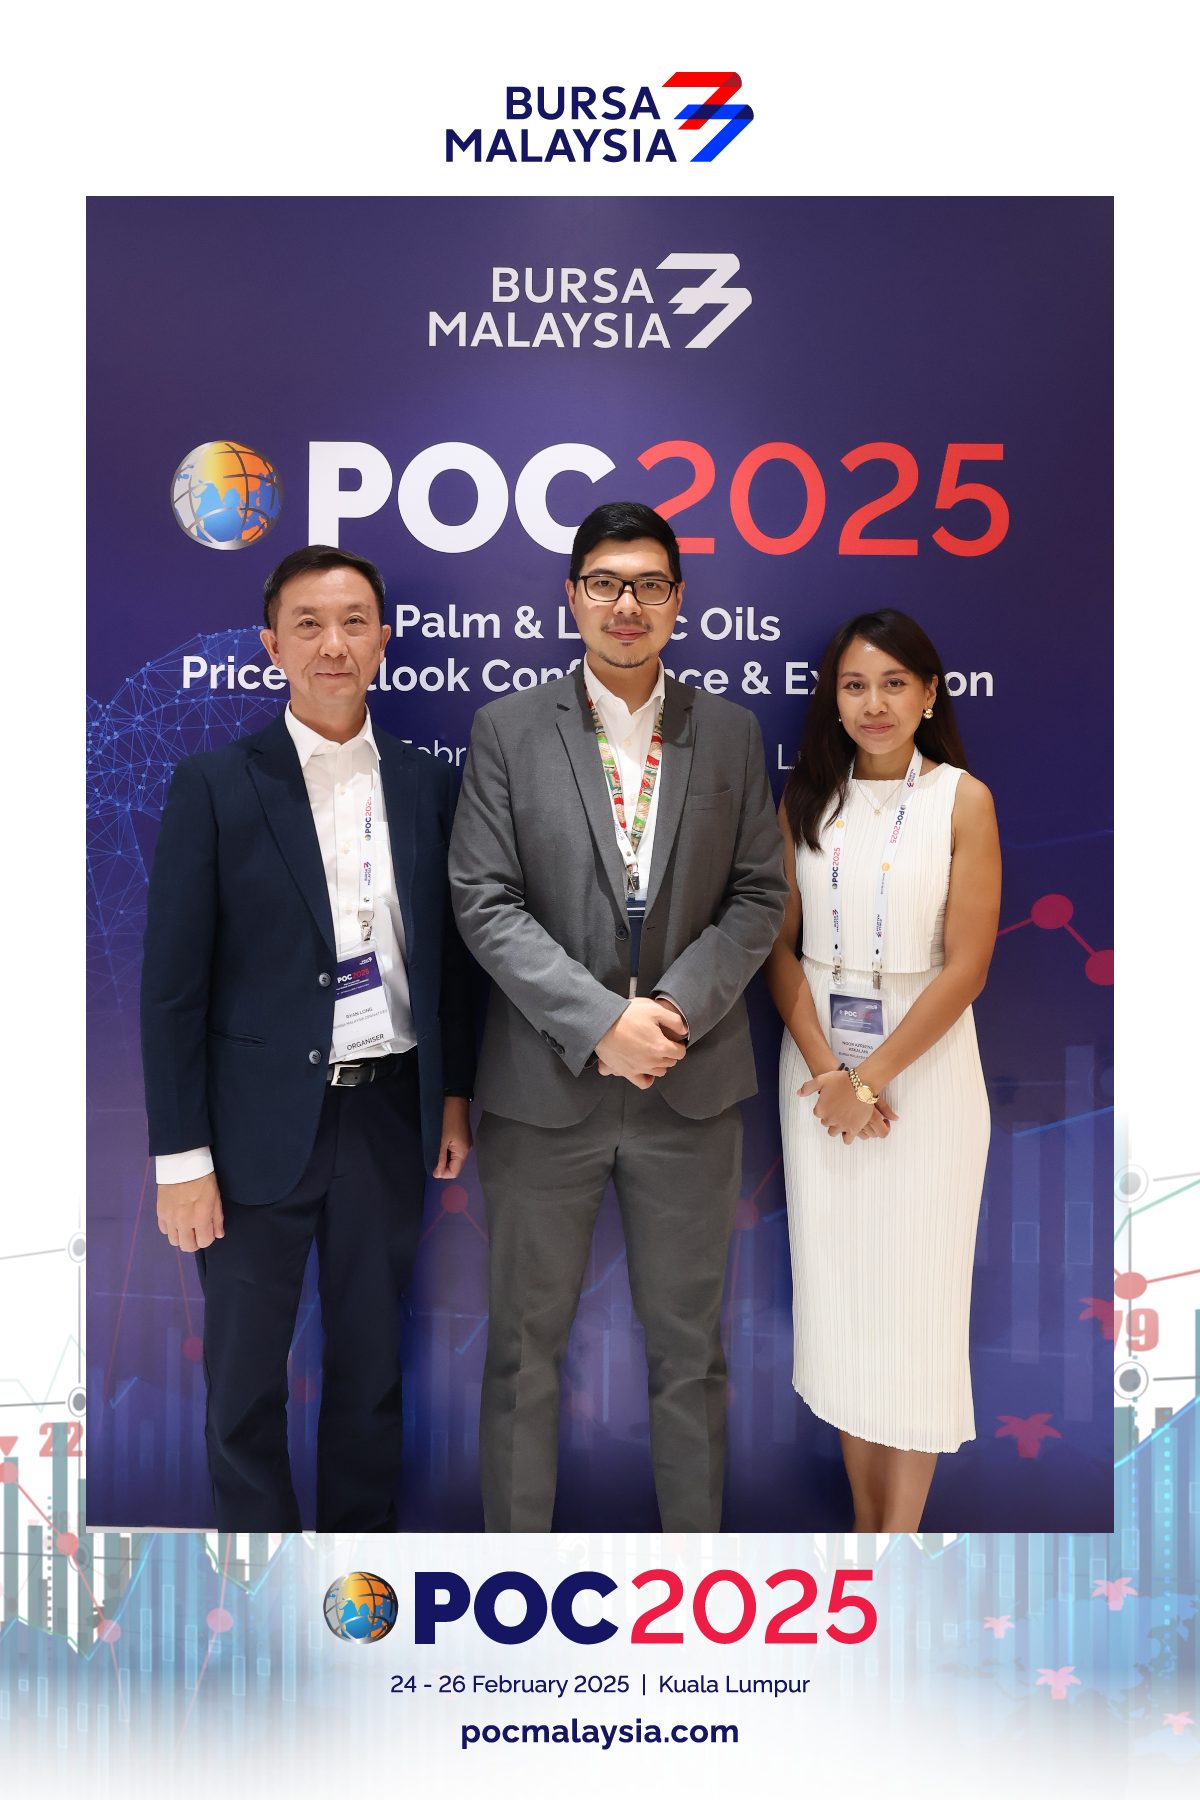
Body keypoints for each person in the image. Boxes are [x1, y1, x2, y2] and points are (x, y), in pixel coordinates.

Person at [448, 501, 788, 1533]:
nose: (625, 604)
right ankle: (516, 1575)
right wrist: (602, 1022)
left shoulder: (729, 732)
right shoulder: (509, 729)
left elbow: (760, 895)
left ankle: (693, 1579)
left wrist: (670, 1012)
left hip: (690, 1086)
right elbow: (484, 900)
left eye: (648, 585)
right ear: (573, 597)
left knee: (691, 1353)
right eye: (605, 583)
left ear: (678, 600)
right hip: (544, 1090)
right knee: (522, 1352)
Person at [141, 544, 475, 1532]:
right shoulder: (214, 784)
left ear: (384, 637)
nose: (334, 644)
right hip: (253, 1129)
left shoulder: (426, 784)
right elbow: (171, 990)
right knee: (244, 1377)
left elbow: (452, 960)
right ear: (271, 646)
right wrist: (181, 1160)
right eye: (309, 625)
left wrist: (453, 1095)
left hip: (387, 1112)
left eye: (354, 622)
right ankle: (259, 1580)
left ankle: (358, 1580)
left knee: (371, 1370)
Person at [764, 609, 1001, 1533]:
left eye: (895, 684)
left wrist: (869, 1083)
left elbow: (967, 967)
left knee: (916, 1311)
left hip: (925, 1078)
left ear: (929, 695)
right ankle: (866, 1530)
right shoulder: (803, 801)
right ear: (834, 698)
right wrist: (833, 1075)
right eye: (856, 685)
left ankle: (895, 1544)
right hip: (817, 1077)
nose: (875, 703)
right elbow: (778, 949)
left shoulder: (961, 799)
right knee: (846, 1312)